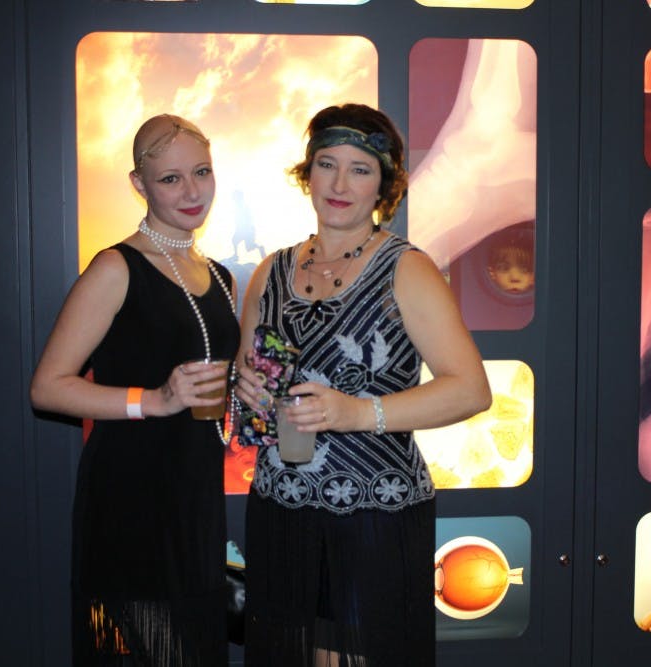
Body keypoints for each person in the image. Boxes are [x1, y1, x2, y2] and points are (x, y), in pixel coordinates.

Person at [233, 103, 492, 666]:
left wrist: (357, 413)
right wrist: (247, 393)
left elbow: (471, 389)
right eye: (327, 164)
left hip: (376, 516)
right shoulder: (271, 272)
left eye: (360, 168)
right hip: (282, 509)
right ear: (307, 173)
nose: (340, 183)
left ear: (385, 185)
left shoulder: (406, 268)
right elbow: (254, 384)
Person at [30, 113, 239, 665]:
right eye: (170, 178)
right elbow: (48, 388)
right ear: (138, 185)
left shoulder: (218, 275)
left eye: (201, 172)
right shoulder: (116, 267)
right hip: (132, 498)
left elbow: (214, 383)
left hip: (194, 497)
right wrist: (154, 400)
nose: (192, 191)